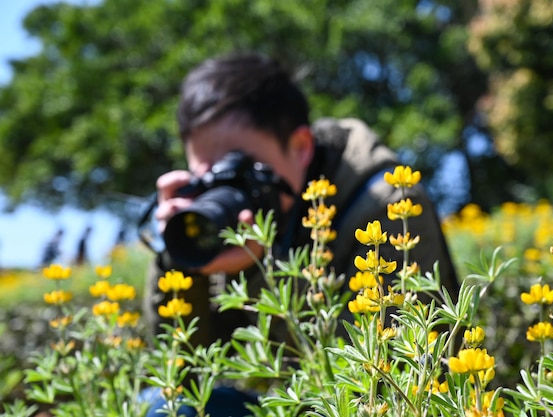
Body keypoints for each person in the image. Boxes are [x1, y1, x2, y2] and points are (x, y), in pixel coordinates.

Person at [142, 52, 459, 416]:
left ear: (301, 148)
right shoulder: (228, 229)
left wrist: (262, 267)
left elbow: (383, 382)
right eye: (210, 178)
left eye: (241, 169)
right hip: (296, 405)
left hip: (374, 404)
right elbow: (183, 372)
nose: (228, 194)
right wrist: (180, 258)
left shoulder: (383, 203)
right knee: (166, 407)